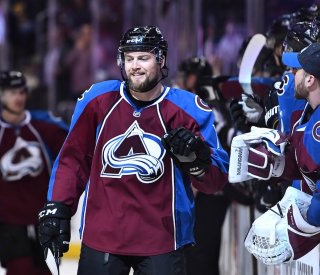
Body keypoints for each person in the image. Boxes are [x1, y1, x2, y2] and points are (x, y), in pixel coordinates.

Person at [38, 26, 229, 275]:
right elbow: (73, 159)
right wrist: (58, 206)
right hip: (103, 235)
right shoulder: (98, 100)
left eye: (143, 58)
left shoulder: (188, 109)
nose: (135, 66)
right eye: (129, 58)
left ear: (161, 60)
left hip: (162, 238)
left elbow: (215, 181)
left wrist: (197, 161)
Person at [236, 43, 320, 264]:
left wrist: (302, 228)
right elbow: (316, 167)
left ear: (310, 80)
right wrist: (283, 165)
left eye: (297, 70)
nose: (291, 74)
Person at [0, 70, 68, 275]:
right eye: (12, 93)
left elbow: (73, 155)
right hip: (7, 218)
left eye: (21, 92)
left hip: (44, 216)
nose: (18, 97)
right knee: (19, 269)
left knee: (46, 270)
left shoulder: (46, 125)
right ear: (0, 95)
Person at [176, 56, 253, 275]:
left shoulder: (203, 107)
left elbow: (221, 141)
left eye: (186, 76)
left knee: (200, 254)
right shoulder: (205, 105)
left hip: (211, 190)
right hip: (211, 188)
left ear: (194, 78)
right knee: (198, 253)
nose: (182, 81)